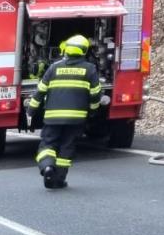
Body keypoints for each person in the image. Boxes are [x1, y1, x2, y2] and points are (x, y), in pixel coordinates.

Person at [25, 35, 105, 189]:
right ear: (84, 51)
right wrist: (94, 111)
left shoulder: (54, 67)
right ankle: (58, 180)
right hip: (76, 119)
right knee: (67, 147)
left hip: (52, 118)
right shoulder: (89, 69)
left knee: (47, 145)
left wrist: (31, 110)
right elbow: (95, 94)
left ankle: (47, 167)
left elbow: (40, 92)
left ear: (66, 50)